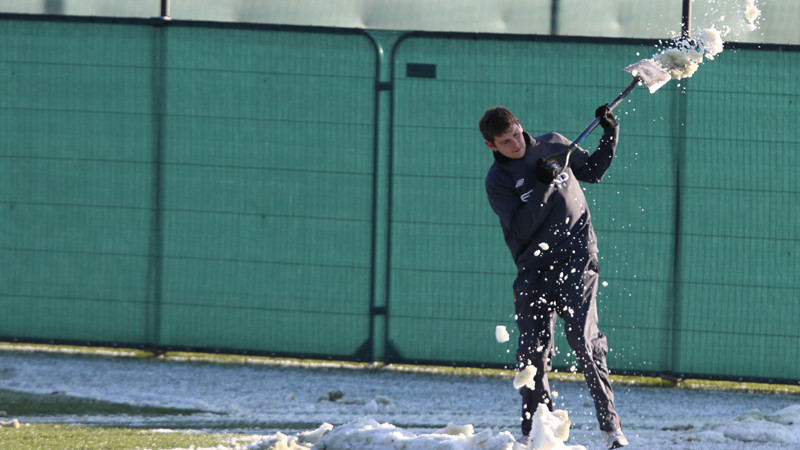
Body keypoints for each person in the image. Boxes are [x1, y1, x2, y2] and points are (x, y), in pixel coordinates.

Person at [479, 104, 628, 449]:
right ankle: (535, 435)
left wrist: (610, 133)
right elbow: (521, 228)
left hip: (578, 256)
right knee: (532, 353)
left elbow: (593, 170)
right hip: (534, 268)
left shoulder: (553, 145)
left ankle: (612, 431)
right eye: (505, 141)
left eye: (516, 133)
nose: (515, 143)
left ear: (519, 123)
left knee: (582, 338)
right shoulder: (498, 180)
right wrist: (544, 185)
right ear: (492, 146)